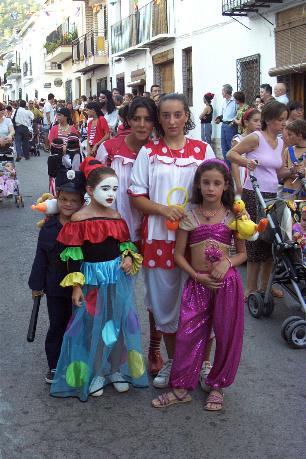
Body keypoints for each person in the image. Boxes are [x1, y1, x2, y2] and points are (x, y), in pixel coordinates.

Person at [129, 93, 215, 387]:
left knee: (202, 304)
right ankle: (175, 363)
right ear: (160, 119)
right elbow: (136, 196)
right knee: (165, 307)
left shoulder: (203, 150)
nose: (172, 121)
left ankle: (203, 365)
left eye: (177, 114)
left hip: (197, 241)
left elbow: (216, 188)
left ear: (186, 116)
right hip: (159, 239)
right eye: (165, 115)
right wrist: (163, 209)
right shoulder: (149, 153)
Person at [151, 159, 246, 411]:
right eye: (206, 183)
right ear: (198, 185)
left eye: (217, 183)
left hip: (227, 285)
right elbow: (178, 255)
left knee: (226, 334)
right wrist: (196, 275)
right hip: (198, 284)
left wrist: (227, 262)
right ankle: (181, 387)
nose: (211, 188)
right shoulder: (189, 217)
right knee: (188, 334)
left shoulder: (232, 217)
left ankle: (217, 386)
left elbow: (243, 254)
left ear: (226, 185)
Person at [50, 158, 148, 401]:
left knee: (117, 324)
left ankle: (115, 370)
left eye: (115, 189)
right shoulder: (79, 220)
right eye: (105, 188)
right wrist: (76, 287)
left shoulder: (116, 217)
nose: (111, 194)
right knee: (93, 326)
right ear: (91, 190)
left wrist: (127, 256)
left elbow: (125, 245)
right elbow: (73, 256)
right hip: (92, 281)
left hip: (116, 280)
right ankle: (96, 372)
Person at [227, 100, 288, 300]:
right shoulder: (256, 137)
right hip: (254, 194)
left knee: (271, 242)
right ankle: (250, 289)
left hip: (272, 195)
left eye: (285, 120)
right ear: (269, 120)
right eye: (280, 120)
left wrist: (293, 171)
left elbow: (278, 171)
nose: (284, 124)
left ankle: (266, 286)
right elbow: (231, 154)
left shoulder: (280, 142)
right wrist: (247, 162)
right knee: (254, 241)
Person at [28, 170, 85, 383]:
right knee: (57, 326)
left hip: (82, 287)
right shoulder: (48, 227)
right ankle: (55, 365)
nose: (68, 204)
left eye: (74, 200)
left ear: (81, 202)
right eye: (64, 199)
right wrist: (37, 285)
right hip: (55, 288)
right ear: (57, 198)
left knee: (80, 326)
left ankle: (78, 361)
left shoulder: (85, 226)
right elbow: (41, 258)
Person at [97, 97, 158, 244]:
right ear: (129, 121)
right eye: (136, 119)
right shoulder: (109, 149)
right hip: (114, 229)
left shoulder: (159, 153)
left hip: (150, 231)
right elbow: (96, 189)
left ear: (154, 122)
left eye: (148, 119)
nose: (142, 125)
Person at [231, 108, 261, 194]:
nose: (259, 124)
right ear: (247, 122)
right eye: (255, 121)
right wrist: (238, 185)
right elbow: (234, 163)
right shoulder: (239, 139)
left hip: (258, 174)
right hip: (244, 174)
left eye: (260, 121)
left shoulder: (262, 139)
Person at [281, 120, 306, 199]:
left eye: (290, 135)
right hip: (289, 192)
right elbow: (280, 172)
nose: (287, 137)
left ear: (300, 135)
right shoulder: (288, 151)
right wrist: (291, 171)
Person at [215, 84, 237, 163]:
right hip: (223, 125)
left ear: (226, 91)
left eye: (222, 91)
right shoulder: (224, 102)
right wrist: (219, 119)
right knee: (223, 147)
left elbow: (238, 114)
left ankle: (232, 167)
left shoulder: (235, 101)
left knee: (230, 147)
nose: (221, 93)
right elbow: (223, 115)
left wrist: (233, 122)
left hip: (230, 126)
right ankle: (227, 167)